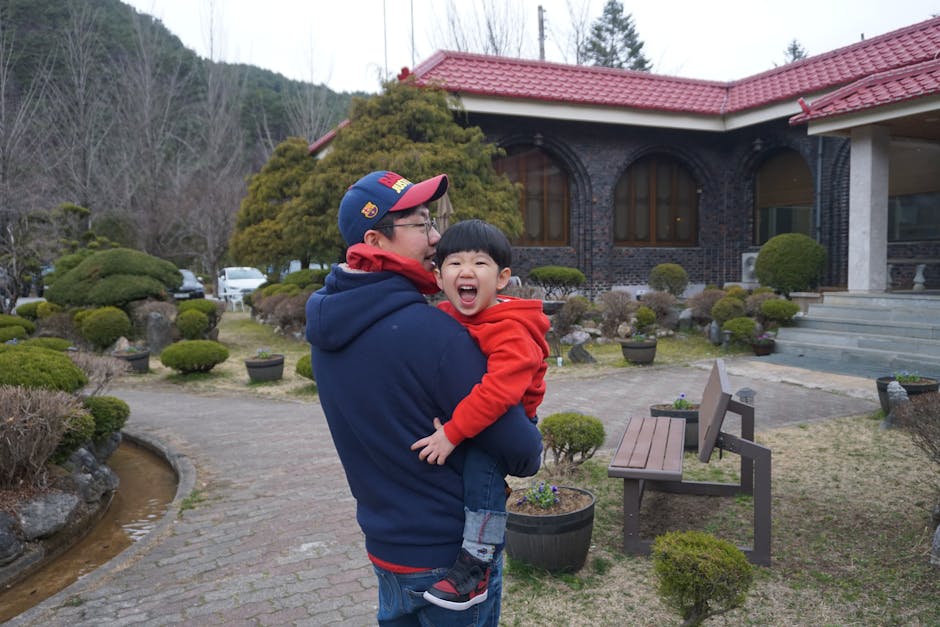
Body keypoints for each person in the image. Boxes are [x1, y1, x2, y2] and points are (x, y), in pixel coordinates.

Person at [305, 170, 543, 626]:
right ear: (375, 238)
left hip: (385, 548)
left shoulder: (324, 328)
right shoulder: (434, 333)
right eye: (420, 225)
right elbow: (523, 453)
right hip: (450, 561)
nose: (436, 239)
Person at [411, 220, 549, 610]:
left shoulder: (512, 329)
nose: (466, 272)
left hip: (509, 422)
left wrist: (453, 432)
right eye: (454, 263)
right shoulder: (448, 316)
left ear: (502, 278)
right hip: (477, 420)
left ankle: (477, 561)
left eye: (480, 263)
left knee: (479, 469)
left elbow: (497, 394)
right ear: (438, 276)